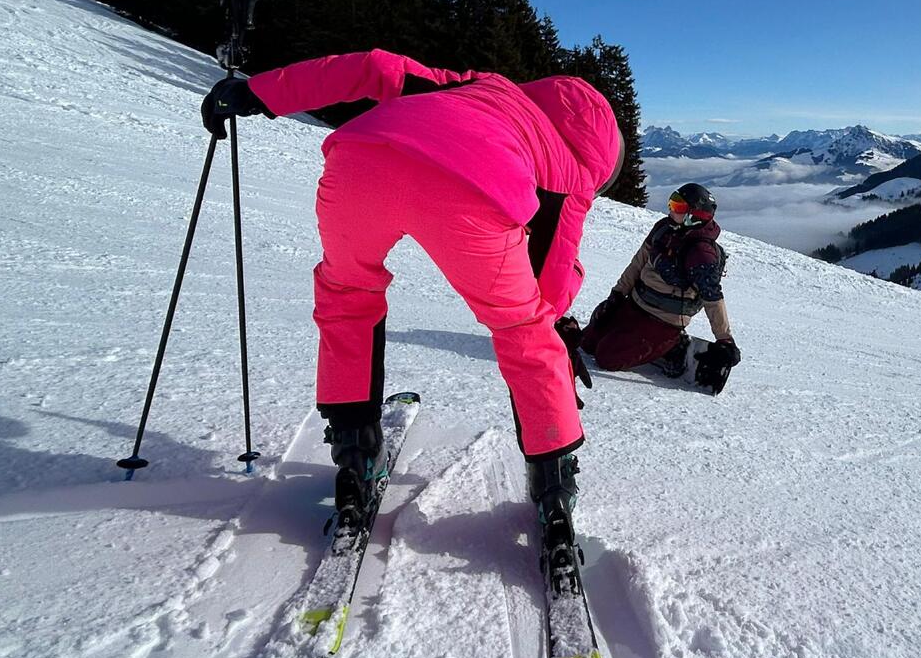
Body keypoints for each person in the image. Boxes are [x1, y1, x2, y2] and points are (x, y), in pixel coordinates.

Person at [201, 50, 624, 549]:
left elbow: (371, 66)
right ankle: (553, 487)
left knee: (347, 295)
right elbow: (549, 292)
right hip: (475, 192)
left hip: (361, 156)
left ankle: (356, 455)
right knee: (524, 331)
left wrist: (260, 91)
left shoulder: (477, 85)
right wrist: (565, 287)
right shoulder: (574, 169)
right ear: (605, 158)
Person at [576, 182, 740, 389]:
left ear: (694, 215)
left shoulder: (701, 253)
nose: (672, 209)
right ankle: (644, 342)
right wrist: (617, 295)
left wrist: (724, 338)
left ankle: (671, 348)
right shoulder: (664, 229)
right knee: (587, 342)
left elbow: (712, 296)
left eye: (679, 207)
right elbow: (639, 262)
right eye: (672, 203)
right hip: (637, 303)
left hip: (664, 320)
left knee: (607, 358)